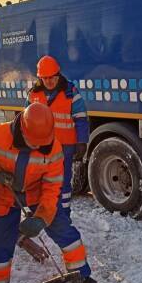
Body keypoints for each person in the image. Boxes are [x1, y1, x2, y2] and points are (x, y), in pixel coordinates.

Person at [0, 103, 100, 283]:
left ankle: (81, 275)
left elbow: (52, 187)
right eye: (35, 142)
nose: (39, 146)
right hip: (4, 195)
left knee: (66, 232)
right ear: (23, 129)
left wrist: (41, 218)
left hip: (38, 195)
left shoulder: (54, 148)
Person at [26, 55, 89, 218]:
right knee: (41, 181)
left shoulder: (70, 92)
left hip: (64, 147)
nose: (48, 81)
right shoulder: (34, 95)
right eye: (44, 78)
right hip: (41, 148)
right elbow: (25, 121)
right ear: (40, 78)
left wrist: (82, 142)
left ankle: (63, 215)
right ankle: (45, 213)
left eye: (51, 78)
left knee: (62, 182)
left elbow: (81, 118)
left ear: (58, 74)